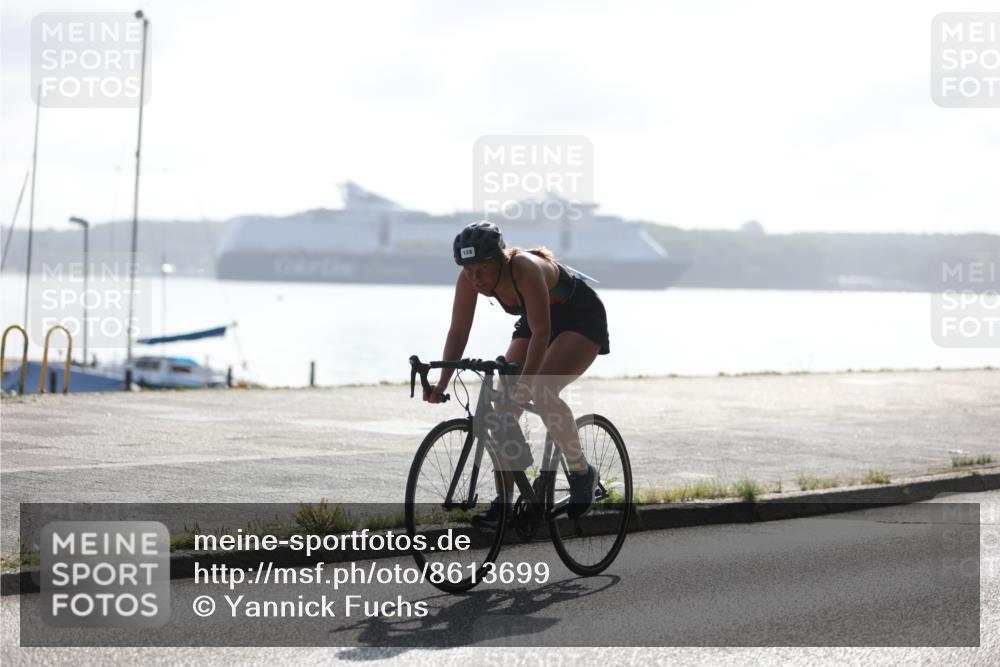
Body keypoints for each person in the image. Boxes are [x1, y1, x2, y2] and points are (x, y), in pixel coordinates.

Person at [423, 220, 611, 524]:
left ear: (498, 261)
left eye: (482, 269)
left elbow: (542, 332)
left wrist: (527, 385)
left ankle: (581, 472)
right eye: (469, 271)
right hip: (536, 318)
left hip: (579, 318)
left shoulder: (523, 267)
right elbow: (458, 331)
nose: (476, 279)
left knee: (542, 390)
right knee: (501, 411)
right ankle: (506, 503)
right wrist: (441, 382)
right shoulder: (469, 278)